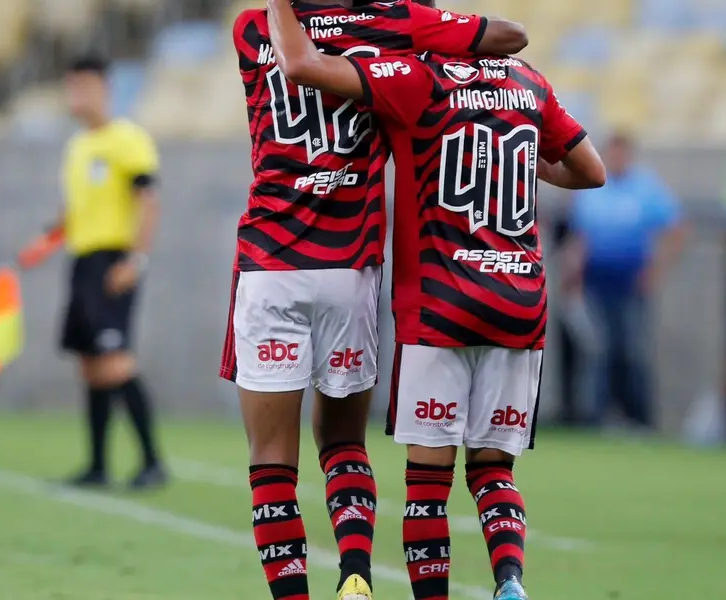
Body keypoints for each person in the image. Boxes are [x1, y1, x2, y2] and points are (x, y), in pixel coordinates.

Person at [265, 1, 606, 599]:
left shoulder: (414, 79)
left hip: (440, 302)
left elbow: (309, 68)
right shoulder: (529, 83)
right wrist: (520, 158)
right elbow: (591, 171)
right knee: (494, 469)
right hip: (519, 300)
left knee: (427, 482)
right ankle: (510, 580)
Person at [225, 2, 528, 599]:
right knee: (343, 443)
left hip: (270, 265)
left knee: (271, 458)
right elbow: (509, 37)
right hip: (350, 267)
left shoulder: (253, 27)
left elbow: (301, 58)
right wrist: (430, 41)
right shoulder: (394, 24)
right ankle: (356, 573)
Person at [18, 56, 166, 490]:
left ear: (105, 88)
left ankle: (153, 462)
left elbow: (148, 201)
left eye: (83, 86)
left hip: (112, 261)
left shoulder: (128, 139)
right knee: (89, 363)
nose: (75, 96)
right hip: (82, 261)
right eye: (71, 87)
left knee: (115, 361)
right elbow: (72, 212)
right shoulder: (78, 146)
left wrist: (135, 260)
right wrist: (44, 241)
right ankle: (98, 466)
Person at [565, 133, 686, 429]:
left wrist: (656, 271)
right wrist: (574, 276)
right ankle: (595, 416)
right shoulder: (592, 186)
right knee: (599, 349)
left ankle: (637, 416)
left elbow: (676, 229)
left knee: (632, 349)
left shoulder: (646, 187)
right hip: (596, 281)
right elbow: (581, 237)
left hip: (631, 282)